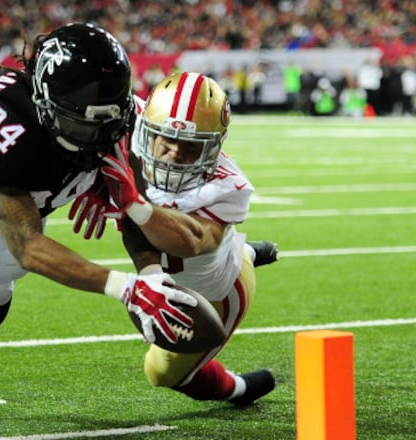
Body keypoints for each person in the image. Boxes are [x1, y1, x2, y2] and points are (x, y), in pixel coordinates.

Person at [0, 23, 202, 412]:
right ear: (43, 101)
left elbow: (132, 208)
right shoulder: (1, 118)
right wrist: (127, 289)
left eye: (107, 124)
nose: (98, 137)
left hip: (32, 208)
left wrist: (151, 276)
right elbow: (27, 247)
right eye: (81, 123)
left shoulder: (119, 120)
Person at [71, 71, 279, 406]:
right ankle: (247, 253)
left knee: (161, 373)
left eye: (191, 146)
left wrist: (130, 201)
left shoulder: (228, 186)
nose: (173, 153)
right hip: (188, 266)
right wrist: (89, 177)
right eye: (166, 139)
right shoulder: (128, 123)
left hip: (216, 292)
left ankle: (238, 389)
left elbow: (190, 242)